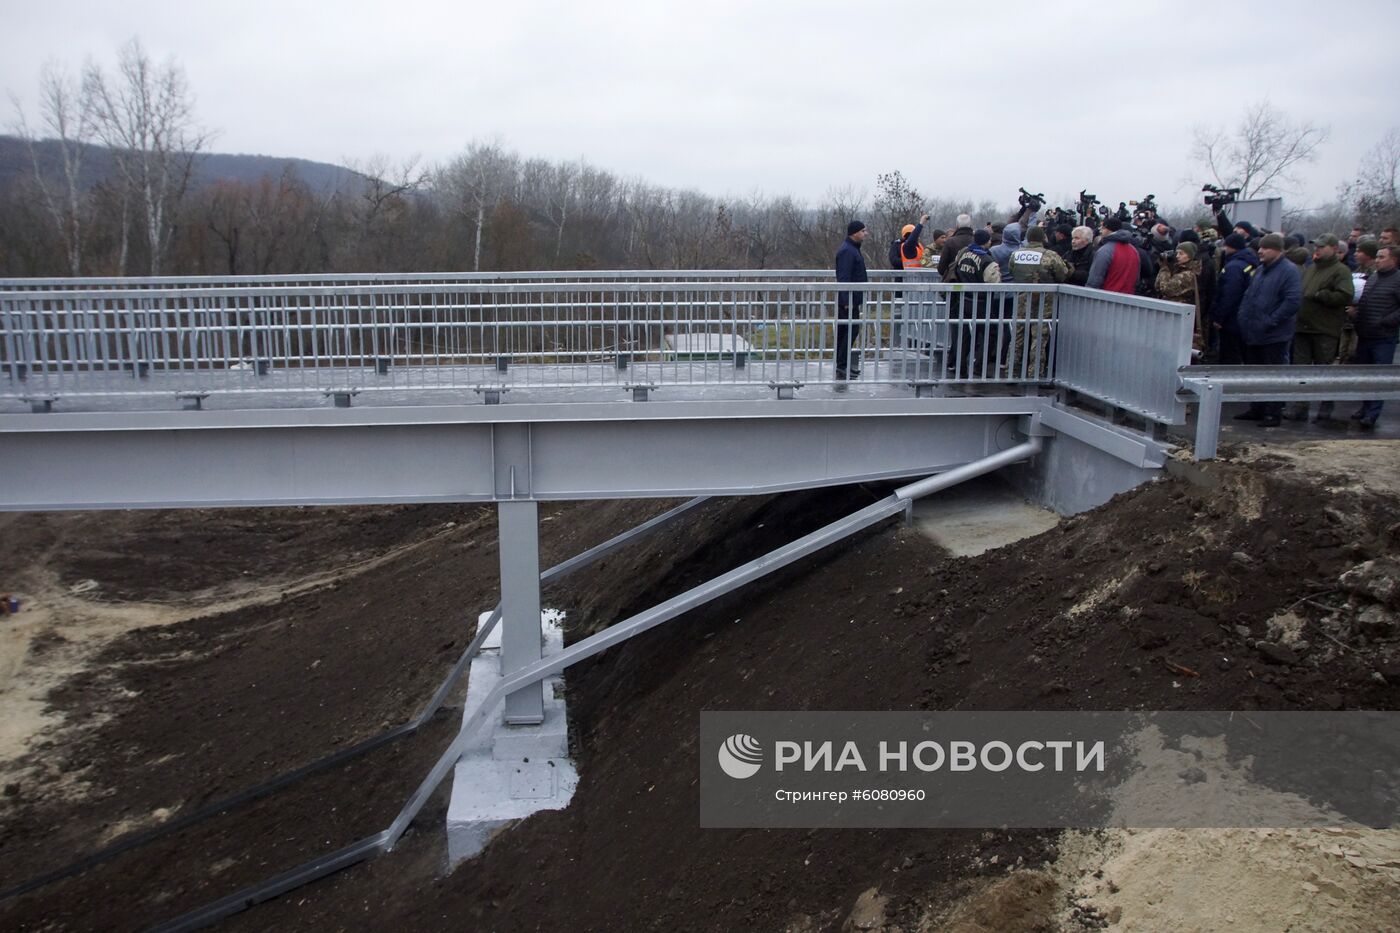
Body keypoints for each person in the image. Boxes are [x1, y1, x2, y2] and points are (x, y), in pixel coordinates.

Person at [1234, 233, 1303, 427]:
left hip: (1273, 334)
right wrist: (1243, 317)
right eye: (1260, 248)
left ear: (1278, 250)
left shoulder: (1289, 271)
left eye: (1266, 248)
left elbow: (1292, 301)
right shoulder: (1261, 270)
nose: (1260, 251)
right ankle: (1257, 408)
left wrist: (1270, 321)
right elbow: (1249, 296)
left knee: (1273, 373)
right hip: (1253, 332)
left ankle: (1273, 412)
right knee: (1255, 373)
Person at [1287, 233, 1353, 422]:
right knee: (1300, 369)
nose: (1317, 250)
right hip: (1303, 327)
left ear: (1333, 249)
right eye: (1316, 246)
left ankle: (1326, 406)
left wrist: (1322, 295)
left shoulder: (1341, 271)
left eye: (1322, 247)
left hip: (1324, 328)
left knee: (1324, 369)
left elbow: (1346, 295)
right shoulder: (1311, 269)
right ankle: (1300, 406)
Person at [1349, 244, 1400, 430]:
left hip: (1383, 337)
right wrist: (1356, 314)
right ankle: (1365, 406)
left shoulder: (1397, 279)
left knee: (1379, 376)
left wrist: (1386, 321)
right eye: (1377, 257)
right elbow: (1364, 301)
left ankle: (1373, 413)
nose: (1377, 260)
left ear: (1393, 260)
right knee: (1365, 375)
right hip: (1365, 333)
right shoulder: (1374, 277)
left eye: (1381, 257)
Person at [1009, 225, 1069, 376]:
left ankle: (1011, 370)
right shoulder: (1050, 255)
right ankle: (1034, 372)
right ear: (1043, 238)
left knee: (1018, 334)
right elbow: (1062, 275)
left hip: (1022, 297)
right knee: (1039, 337)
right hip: (1045, 300)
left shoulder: (1016, 254)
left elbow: (1011, 271)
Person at [950, 229, 1002, 378]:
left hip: (963, 299)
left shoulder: (963, 253)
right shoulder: (987, 260)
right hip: (981, 303)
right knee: (990, 334)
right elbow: (995, 283)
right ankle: (979, 366)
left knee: (964, 335)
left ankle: (961, 369)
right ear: (987, 242)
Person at [1212, 233, 1258, 365]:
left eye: (1226, 246)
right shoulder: (1250, 264)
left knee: (1229, 355)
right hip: (1243, 317)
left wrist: (1219, 317)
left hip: (1231, 320)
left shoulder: (1233, 267)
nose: (1224, 249)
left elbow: (1229, 294)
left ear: (1233, 247)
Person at [1155, 241, 1205, 354]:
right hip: (1171, 313)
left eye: (1181, 253)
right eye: (1177, 253)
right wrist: (1165, 267)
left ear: (1190, 255)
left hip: (1179, 317)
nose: (1177, 256)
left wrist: (1165, 269)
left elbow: (1166, 288)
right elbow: (1158, 286)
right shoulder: (1179, 270)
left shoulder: (1189, 274)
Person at [834, 220, 869, 380]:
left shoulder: (851, 249)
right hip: (848, 300)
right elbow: (844, 277)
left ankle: (843, 366)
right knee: (849, 331)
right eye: (863, 231)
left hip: (851, 299)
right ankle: (842, 367)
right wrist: (847, 300)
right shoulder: (848, 251)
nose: (865, 234)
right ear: (854, 232)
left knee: (847, 332)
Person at [1086, 216, 1140, 293]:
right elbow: (1136, 280)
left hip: (1106, 299)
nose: (1100, 231)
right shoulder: (1134, 251)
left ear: (1109, 230)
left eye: (1103, 228)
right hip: (1128, 300)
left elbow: (1094, 280)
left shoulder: (1105, 250)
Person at [937, 214, 975, 279]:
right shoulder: (977, 242)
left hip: (953, 284)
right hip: (975, 285)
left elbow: (941, 269)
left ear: (957, 225)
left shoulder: (950, 242)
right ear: (970, 225)